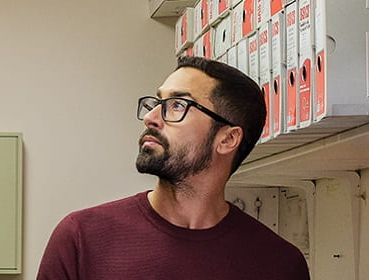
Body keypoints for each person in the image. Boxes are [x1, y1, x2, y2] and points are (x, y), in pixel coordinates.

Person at [35, 56, 309, 279]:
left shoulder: (280, 265)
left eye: (178, 104)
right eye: (157, 103)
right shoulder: (81, 239)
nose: (152, 117)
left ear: (227, 139)